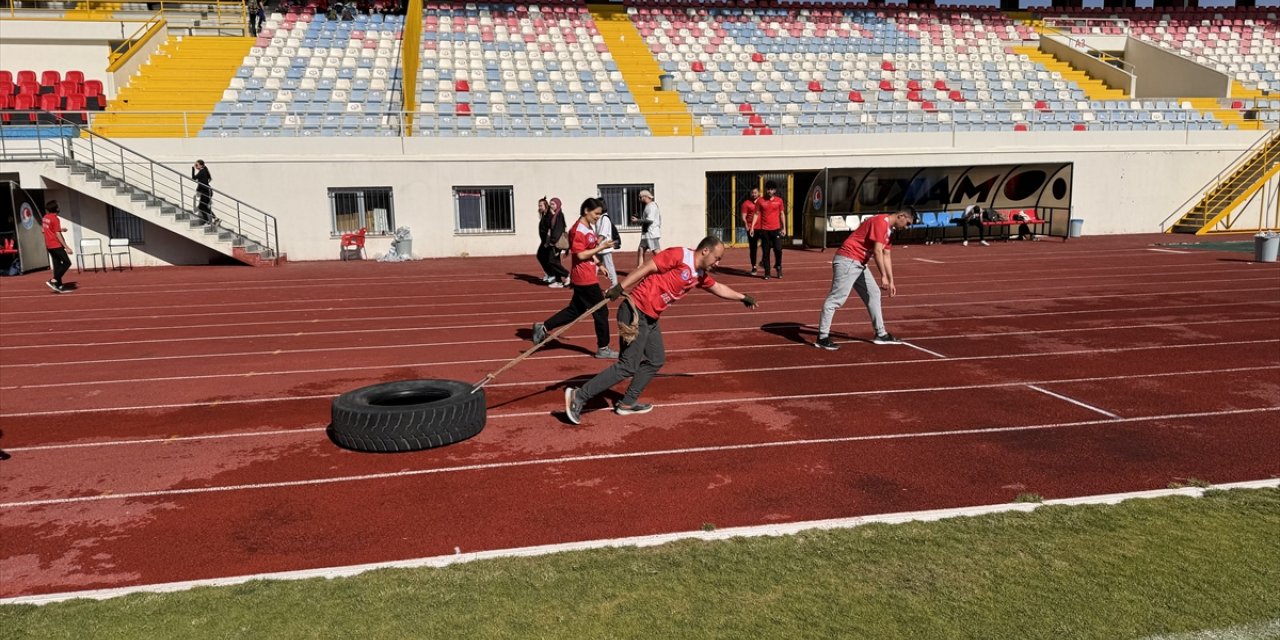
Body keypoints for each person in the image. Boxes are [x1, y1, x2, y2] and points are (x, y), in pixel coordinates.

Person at [564, 236, 757, 424]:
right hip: (635, 311)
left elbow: (719, 288)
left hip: (651, 317)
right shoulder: (679, 255)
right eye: (717, 258)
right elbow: (646, 268)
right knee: (627, 366)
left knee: (656, 359)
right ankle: (578, 395)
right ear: (705, 251)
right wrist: (619, 287)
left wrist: (742, 297)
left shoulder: (699, 275)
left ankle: (627, 403)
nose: (717, 263)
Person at [813, 207, 915, 350]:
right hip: (848, 260)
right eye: (908, 223)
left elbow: (886, 255)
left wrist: (891, 281)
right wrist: (883, 276)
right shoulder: (881, 222)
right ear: (901, 216)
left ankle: (881, 334)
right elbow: (878, 252)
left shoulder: (889, 231)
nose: (906, 227)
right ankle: (822, 337)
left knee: (874, 293)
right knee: (836, 299)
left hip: (859, 263)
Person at [533, 198, 618, 360]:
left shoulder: (588, 227)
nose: (598, 217)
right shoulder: (577, 230)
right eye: (596, 214)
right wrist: (602, 247)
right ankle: (603, 348)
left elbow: (590, 250)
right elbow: (580, 254)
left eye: (600, 215)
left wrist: (599, 265)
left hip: (587, 275)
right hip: (584, 278)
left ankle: (543, 327)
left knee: (575, 310)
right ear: (586, 210)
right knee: (601, 311)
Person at [41, 200, 73, 294]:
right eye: (59, 205)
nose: (60, 207)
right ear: (56, 208)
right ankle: (53, 280)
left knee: (57, 264)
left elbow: (43, 230)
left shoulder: (45, 217)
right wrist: (66, 247)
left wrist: (60, 229)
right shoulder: (55, 219)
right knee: (67, 263)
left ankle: (58, 285)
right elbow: (57, 234)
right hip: (56, 245)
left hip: (49, 245)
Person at [756, 180, 785, 279]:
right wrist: (752, 227)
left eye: (772, 189)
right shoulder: (760, 201)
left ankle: (778, 266)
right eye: (768, 189)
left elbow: (782, 214)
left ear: (775, 190)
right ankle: (767, 273)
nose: (769, 191)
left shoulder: (779, 200)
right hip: (764, 230)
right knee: (766, 252)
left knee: (778, 249)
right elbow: (756, 214)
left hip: (776, 229)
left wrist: (784, 228)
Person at [542, 197, 570, 288]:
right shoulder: (555, 215)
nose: (551, 206)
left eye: (553, 204)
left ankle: (567, 274)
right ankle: (558, 281)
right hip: (553, 242)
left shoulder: (559, 215)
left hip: (556, 243)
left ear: (558, 205)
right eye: (550, 204)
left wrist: (552, 241)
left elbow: (558, 230)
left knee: (551, 260)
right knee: (556, 261)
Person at [633, 189, 661, 269]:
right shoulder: (649, 206)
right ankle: (640, 269)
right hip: (647, 234)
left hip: (651, 234)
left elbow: (650, 220)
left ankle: (666, 267)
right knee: (641, 250)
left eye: (640, 197)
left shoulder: (651, 206)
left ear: (644, 197)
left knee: (657, 252)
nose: (639, 199)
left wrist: (637, 220)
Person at [594, 200, 620, 287]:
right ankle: (591, 282)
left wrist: (596, 243)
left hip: (605, 247)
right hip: (600, 248)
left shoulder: (605, 218)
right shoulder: (600, 218)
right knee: (596, 264)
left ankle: (614, 284)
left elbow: (603, 234)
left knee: (609, 266)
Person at [740, 186, 761, 274]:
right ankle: (754, 266)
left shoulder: (762, 202)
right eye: (752, 193)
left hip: (763, 227)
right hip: (751, 228)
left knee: (768, 245)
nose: (754, 194)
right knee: (753, 248)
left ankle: (764, 261)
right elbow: (743, 216)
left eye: (755, 192)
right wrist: (746, 224)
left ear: (759, 193)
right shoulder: (746, 203)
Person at [192, 159, 214, 225]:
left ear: (201, 165)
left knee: (202, 207)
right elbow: (207, 180)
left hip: (206, 192)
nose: (195, 166)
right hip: (207, 191)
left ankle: (211, 219)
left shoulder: (202, 172)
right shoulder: (204, 171)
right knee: (203, 207)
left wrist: (193, 169)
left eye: (196, 165)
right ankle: (208, 220)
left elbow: (194, 178)